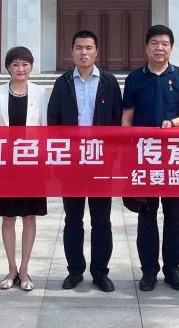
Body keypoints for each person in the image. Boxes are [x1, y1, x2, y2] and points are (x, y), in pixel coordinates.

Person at [122, 24, 179, 291]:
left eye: (165, 44)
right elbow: (127, 119)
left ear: (171, 48)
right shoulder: (134, 79)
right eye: (154, 43)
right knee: (146, 213)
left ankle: (173, 269)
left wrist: (173, 124)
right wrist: (129, 153)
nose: (159, 48)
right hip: (144, 157)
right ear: (146, 47)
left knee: (174, 214)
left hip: (175, 156)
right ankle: (149, 271)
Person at [47, 29, 123, 293]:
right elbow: (53, 122)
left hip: (100, 161)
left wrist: (113, 159)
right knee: (73, 219)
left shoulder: (109, 82)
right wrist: (58, 159)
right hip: (71, 162)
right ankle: (75, 270)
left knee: (101, 220)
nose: (84, 52)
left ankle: (100, 272)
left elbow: (117, 122)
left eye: (89, 48)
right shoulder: (63, 82)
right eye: (79, 48)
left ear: (96, 51)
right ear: (72, 51)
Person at [0, 46, 48, 292]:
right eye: (15, 64)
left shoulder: (40, 92)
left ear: (31, 67)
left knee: (29, 216)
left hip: (31, 163)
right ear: (8, 67)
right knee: (8, 216)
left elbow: (45, 128)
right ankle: (11, 269)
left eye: (25, 64)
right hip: (5, 164)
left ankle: (24, 269)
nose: (20, 69)